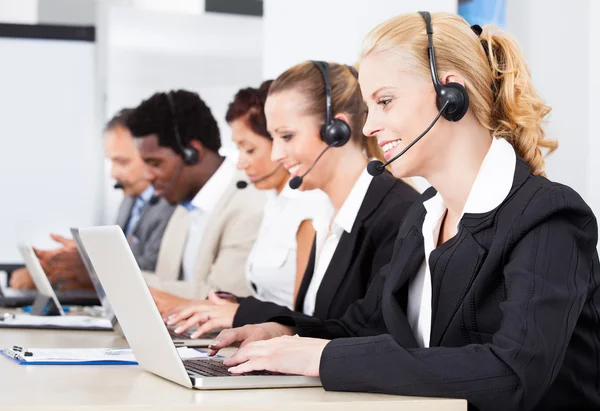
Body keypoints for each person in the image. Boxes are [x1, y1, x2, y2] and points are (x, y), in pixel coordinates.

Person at [207, 12, 600, 411]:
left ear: (451, 96)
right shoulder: (424, 217)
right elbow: (361, 327)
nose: (368, 127)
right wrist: (281, 333)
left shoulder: (548, 216)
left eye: (385, 101)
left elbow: (514, 375)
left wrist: (322, 359)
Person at [165, 61, 419, 339]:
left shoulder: (398, 214)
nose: (276, 155)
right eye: (274, 138)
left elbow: (367, 336)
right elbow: (321, 323)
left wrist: (245, 315)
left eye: (287, 136)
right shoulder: (324, 214)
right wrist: (246, 314)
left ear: (337, 131)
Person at [126, 90, 266, 314]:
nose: (147, 175)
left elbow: (224, 300)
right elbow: (166, 284)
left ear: (193, 152)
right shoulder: (183, 204)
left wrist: (119, 279)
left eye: (155, 163)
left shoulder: (250, 203)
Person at [10, 108, 175, 291]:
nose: (113, 173)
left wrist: (88, 259)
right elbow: (118, 256)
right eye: (111, 162)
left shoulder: (171, 204)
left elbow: (154, 271)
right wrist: (68, 260)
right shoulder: (130, 201)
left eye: (122, 162)